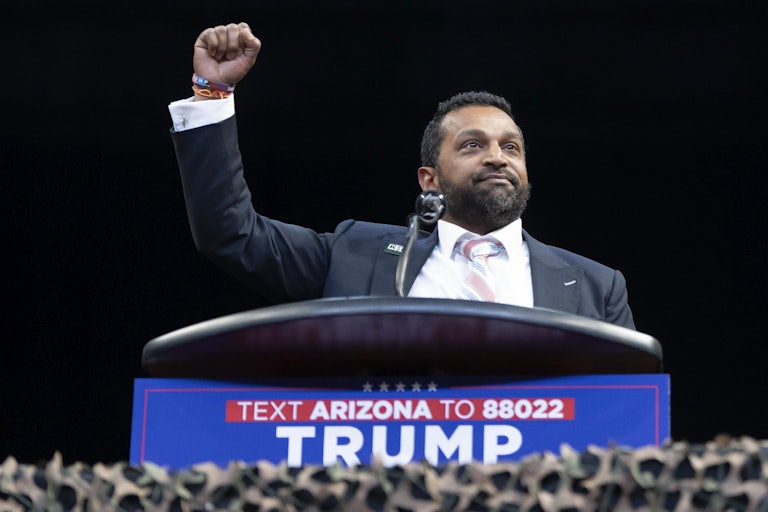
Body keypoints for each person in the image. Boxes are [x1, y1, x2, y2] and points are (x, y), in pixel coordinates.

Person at [168, 22, 636, 329]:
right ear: (428, 179)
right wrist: (213, 92)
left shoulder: (595, 286)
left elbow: (628, 407)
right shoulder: (354, 255)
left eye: (510, 147)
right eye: (473, 145)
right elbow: (230, 232)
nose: (497, 157)